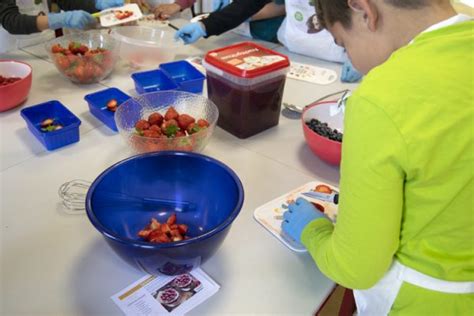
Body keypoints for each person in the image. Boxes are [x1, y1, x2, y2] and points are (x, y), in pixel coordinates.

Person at [282, 0, 473, 315]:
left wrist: (312, 230)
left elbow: (356, 267)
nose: (353, 62)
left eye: (344, 45)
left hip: (427, 303)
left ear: (364, 11)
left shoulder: (381, 98)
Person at [174, 0, 362, 82]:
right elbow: (248, 4)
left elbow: (362, 14)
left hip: (339, 60)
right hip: (293, 54)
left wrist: (358, 51)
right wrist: (206, 26)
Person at [154, 0, 286, 44]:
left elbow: (284, 6)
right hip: (231, 26)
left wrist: (243, 16)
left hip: (265, 33)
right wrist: (204, 26)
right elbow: (248, 4)